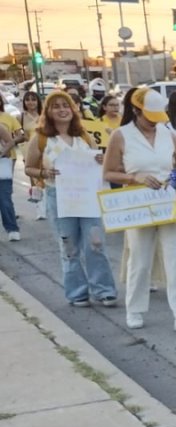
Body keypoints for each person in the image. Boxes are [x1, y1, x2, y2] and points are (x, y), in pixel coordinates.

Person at [102, 88, 176, 333]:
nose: (153, 123)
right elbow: (109, 172)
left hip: (169, 203)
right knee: (139, 259)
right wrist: (135, 177)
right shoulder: (121, 135)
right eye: (148, 117)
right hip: (139, 205)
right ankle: (134, 309)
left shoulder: (169, 134)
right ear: (135, 110)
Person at [23, 90, 119, 307]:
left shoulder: (84, 135)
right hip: (59, 197)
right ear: (48, 111)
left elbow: (98, 162)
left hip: (87, 197)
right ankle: (77, 292)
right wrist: (44, 173)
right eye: (56, 106)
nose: (62, 110)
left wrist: (100, 159)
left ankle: (104, 290)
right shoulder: (40, 138)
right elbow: (29, 167)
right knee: (69, 247)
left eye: (65, 106)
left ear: (72, 109)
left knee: (95, 242)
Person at [20, 91, 44, 220]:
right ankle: (39, 208)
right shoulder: (21, 117)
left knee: (47, 180)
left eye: (33, 99)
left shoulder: (44, 116)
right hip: (29, 152)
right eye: (27, 100)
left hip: (45, 151)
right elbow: (17, 134)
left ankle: (48, 205)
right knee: (34, 180)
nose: (30, 102)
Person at [0, 104, 20, 241]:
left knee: (5, 200)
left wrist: (2, 153)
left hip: (1, 167)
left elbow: (10, 142)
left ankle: (12, 228)